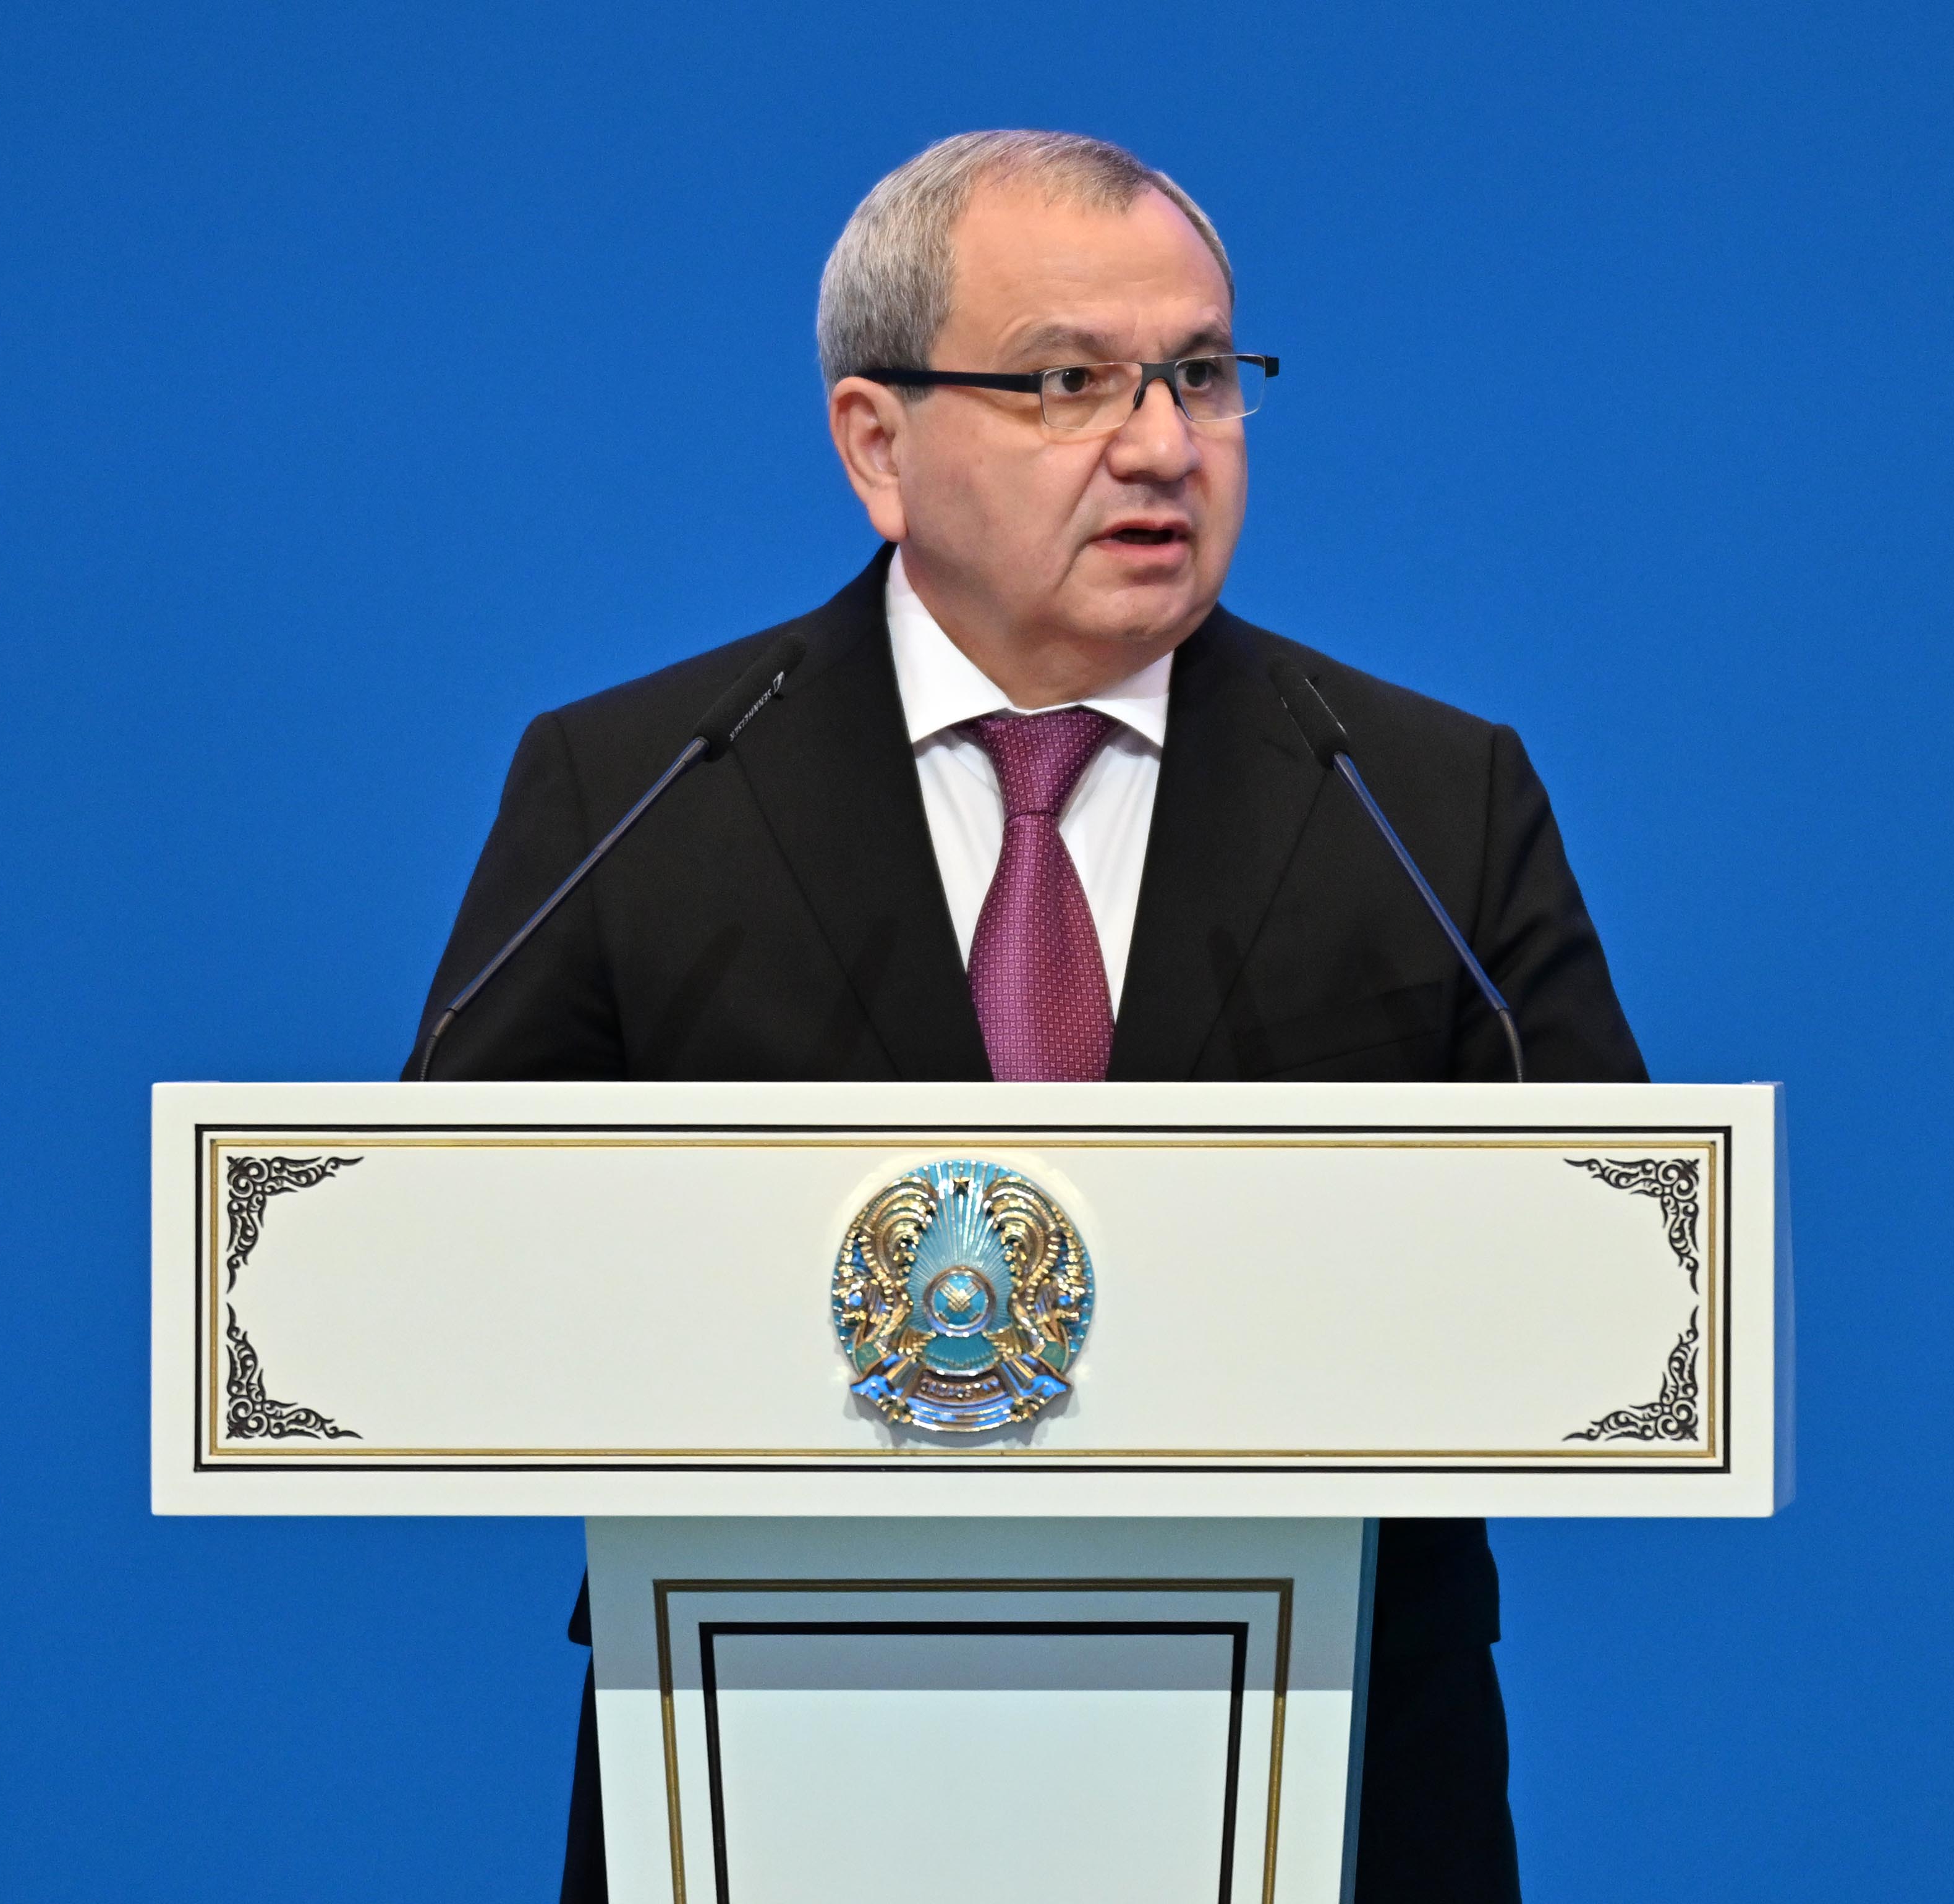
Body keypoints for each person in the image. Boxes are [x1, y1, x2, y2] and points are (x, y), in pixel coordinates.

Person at [412, 130, 1644, 1904]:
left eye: (1200, 376)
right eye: (1070, 383)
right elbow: (443, 1259)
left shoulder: (1424, 798)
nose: (1161, 445)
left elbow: (1615, 1277)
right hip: (774, 1756)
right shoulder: (639, 788)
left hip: (1333, 1770)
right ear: (877, 444)